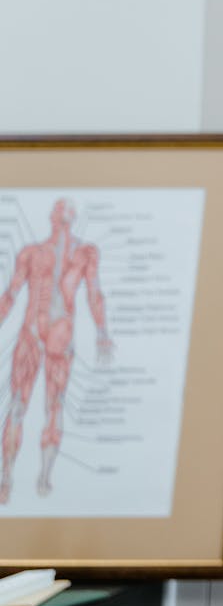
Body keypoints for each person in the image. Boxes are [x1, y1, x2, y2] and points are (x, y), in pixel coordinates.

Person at [0, 198, 113, 504]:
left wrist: (102, 331)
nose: (62, 221)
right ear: (51, 217)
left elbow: (94, 293)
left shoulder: (85, 254)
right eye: (59, 215)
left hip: (60, 342)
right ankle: (7, 475)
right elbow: (9, 294)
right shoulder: (32, 254)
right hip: (31, 337)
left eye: (67, 216)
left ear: (71, 219)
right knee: (19, 406)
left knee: (55, 407)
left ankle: (44, 476)